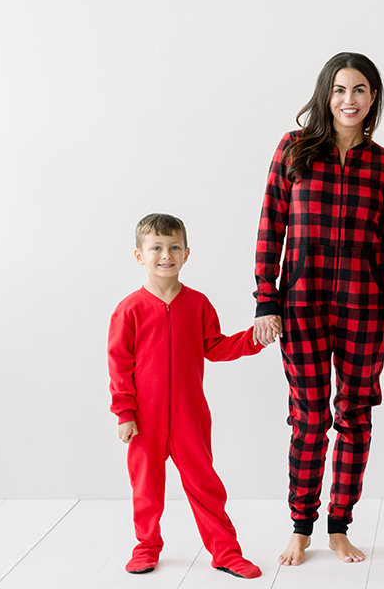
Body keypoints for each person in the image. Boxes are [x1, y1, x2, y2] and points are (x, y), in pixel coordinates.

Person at [252, 52, 384, 567]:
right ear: (324, 95)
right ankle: (300, 526)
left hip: (365, 308)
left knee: (354, 416)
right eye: (339, 90)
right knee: (310, 418)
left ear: (373, 96)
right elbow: (271, 225)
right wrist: (266, 299)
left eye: (359, 89)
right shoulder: (293, 150)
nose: (349, 100)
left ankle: (340, 526)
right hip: (301, 305)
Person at [108, 213, 264, 579]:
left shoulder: (197, 304)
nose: (166, 254)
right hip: (144, 418)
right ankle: (146, 546)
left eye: (174, 247)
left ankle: (225, 552)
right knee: (146, 487)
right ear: (139, 256)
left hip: (190, 414)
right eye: (157, 248)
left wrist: (255, 338)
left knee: (205, 485)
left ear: (186, 253)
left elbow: (216, 346)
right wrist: (124, 413)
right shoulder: (129, 309)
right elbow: (118, 364)